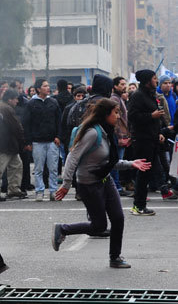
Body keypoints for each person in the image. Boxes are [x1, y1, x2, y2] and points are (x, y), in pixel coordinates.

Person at [52, 98, 151, 268]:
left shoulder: (107, 132)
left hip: (105, 179)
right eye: (115, 113)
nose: (118, 116)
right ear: (106, 114)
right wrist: (66, 184)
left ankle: (115, 258)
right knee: (99, 225)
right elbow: (72, 157)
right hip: (89, 183)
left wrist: (131, 163)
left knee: (118, 218)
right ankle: (63, 229)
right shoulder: (93, 133)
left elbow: (110, 162)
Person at [127, 70, 172, 215]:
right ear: (147, 80)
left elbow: (157, 118)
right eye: (154, 78)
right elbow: (133, 117)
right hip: (142, 140)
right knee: (143, 172)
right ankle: (138, 206)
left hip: (152, 139)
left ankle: (141, 204)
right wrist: (150, 116)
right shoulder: (138, 95)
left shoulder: (151, 95)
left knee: (151, 171)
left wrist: (159, 132)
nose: (157, 81)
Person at [23, 78, 61, 201]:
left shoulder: (53, 102)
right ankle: (39, 191)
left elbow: (59, 121)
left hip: (52, 141)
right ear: (38, 89)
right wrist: (28, 141)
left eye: (48, 86)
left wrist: (58, 136)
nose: (48, 88)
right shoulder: (31, 104)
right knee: (38, 169)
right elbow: (26, 124)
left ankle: (53, 191)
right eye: (45, 86)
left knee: (53, 168)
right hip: (37, 142)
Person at [0, 89, 27, 201]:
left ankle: (13, 190)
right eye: (15, 99)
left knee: (16, 166)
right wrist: (23, 141)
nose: (17, 101)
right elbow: (16, 126)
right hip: (4, 144)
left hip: (7, 144)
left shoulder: (1, 106)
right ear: (9, 99)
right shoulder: (6, 109)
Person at [110, 77, 131, 196]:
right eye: (122, 84)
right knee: (117, 162)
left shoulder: (119, 98)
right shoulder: (114, 99)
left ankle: (116, 186)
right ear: (115, 86)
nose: (124, 86)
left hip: (122, 134)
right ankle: (116, 187)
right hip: (118, 135)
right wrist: (119, 136)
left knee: (118, 161)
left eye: (125, 84)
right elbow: (116, 120)